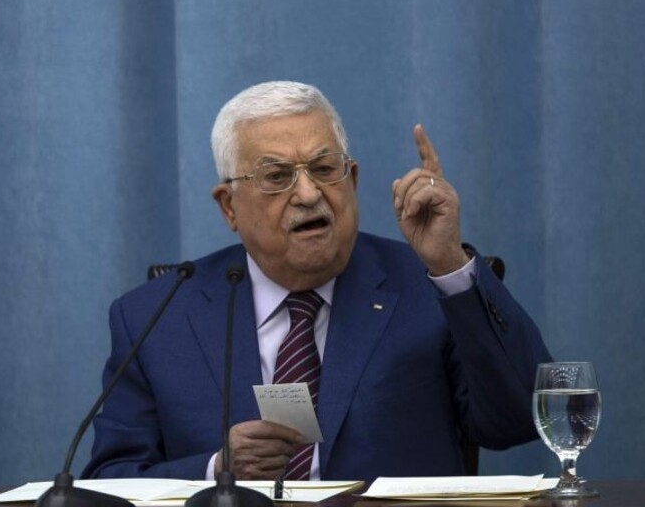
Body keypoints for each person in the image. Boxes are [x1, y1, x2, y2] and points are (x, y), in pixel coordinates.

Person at [82, 81, 552, 483]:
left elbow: (520, 419)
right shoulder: (157, 317)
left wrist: (449, 264)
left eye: (324, 170)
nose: (308, 194)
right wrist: (216, 470)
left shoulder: (429, 288)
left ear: (352, 179)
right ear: (229, 206)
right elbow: (110, 480)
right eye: (276, 176)